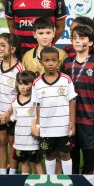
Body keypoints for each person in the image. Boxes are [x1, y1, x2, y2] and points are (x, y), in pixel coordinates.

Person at [61, 26, 94, 174]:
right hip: (69, 117)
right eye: (75, 38)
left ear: (91, 42)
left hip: (88, 116)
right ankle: (73, 180)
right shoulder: (67, 63)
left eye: (82, 38)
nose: (78, 41)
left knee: (88, 151)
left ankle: (88, 180)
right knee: (71, 150)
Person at [32, 47, 77, 175]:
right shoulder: (37, 83)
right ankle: (50, 179)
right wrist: (38, 124)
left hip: (63, 126)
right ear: (41, 62)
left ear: (59, 61)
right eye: (46, 60)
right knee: (49, 154)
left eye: (53, 60)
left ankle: (68, 178)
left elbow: (71, 102)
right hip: (46, 127)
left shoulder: (66, 80)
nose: (50, 63)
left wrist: (72, 122)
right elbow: (38, 106)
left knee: (65, 153)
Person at [1, 70, 44, 175]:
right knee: (24, 163)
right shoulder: (15, 100)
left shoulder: (36, 100)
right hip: (20, 140)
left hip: (33, 141)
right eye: (20, 84)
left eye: (26, 84)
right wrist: (6, 118)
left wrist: (36, 126)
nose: (23, 87)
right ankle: (25, 184)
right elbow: (14, 116)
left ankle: (43, 182)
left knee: (37, 163)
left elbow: (40, 116)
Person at [0, 33, 24, 175]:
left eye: (2, 45)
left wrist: (9, 112)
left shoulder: (19, 69)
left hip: (13, 114)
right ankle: (2, 173)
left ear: (12, 49)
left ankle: (12, 172)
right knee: (1, 141)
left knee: (13, 142)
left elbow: (21, 94)